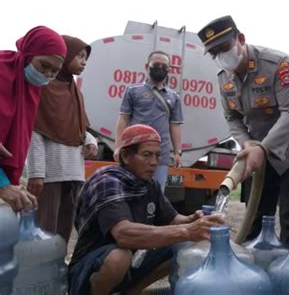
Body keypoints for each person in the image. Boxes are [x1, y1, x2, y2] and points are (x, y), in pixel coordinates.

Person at [197, 15, 289, 246]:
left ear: (240, 39)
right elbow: (232, 117)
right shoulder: (224, 79)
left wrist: (263, 149)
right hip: (258, 150)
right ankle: (252, 266)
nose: (220, 57)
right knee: (257, 213)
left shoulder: (279, 64)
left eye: (224, 48)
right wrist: (247, 143)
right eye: (214, 53)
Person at [68, 124, 224, 295]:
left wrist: (193, 220)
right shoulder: (108, 182)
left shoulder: (148, 184)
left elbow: (172, 219)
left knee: (183, 246)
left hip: (128, 266)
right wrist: (188, 230)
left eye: (158, 156)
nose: (154, 163)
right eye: (147, 155)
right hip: (89, 269)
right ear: (126, 156)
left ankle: (131, 292)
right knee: (119, 257)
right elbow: (124, 235)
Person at [26, 35, 98, 243]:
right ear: (64, 57)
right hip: (51, 172)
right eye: (79, 56)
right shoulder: (45, 87)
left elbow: (79, 127)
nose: (84, 61)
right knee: (44, 226)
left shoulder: (75, 92)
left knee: (65, 226)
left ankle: (57, 267)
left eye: (86, 58)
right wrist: (37, 173)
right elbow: (36, 130)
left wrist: (90, 141)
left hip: (73, 170)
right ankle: (40, 270)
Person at [0, 26, 67, 213]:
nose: (47, 75)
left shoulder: (29, 92)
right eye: (44, 65)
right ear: (29, 54)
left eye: (54, 71)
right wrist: (2, 184)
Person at [115, 50, 183, 192]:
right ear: (147, 67)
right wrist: (118, 146)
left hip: (160, 154)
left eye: (164, 66)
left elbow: (174, 125)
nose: (160, 68)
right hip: (135, 152)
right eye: (156, 64)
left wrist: (178, 152)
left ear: (169, 70)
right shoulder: (133, 91)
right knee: (129, 192)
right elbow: (123, 119)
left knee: (156, 194)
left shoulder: (174, 97)